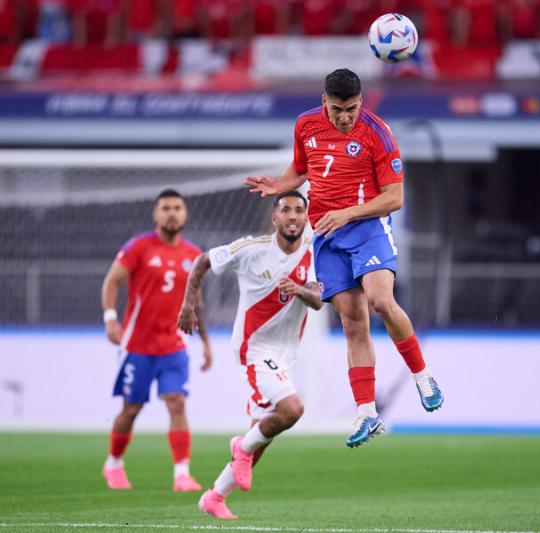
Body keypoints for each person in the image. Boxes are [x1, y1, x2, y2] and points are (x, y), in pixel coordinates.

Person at [246, 68, 443, 448]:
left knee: (381, 302)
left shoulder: (378, 133)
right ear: (324, 102)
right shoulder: (305, 125)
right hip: (326, 237)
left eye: (352, 109)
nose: (345, 117)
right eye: (338, 109)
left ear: (361, 101)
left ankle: (423, 376)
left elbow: (394, 197)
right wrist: (279, 184)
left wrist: (349, 213)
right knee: (353, 323)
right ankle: (367, 412)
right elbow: (301, 169)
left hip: (366, 227)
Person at [178, 191, 322, 519]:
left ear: (305, 217)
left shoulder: (314, 253)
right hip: (254, 348)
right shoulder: (252, 250)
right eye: (286, 210)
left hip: (286, 354)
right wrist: (188, 303)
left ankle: (214, 496)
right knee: (292, 409)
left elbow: (317, 298)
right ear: (275, 218)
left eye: (299, 210)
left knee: (261, 437)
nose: (293, 216)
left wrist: (298, 290)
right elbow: (202, 260)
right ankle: (239, 447)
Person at [101, 188, 211, 491]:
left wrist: (205, 342)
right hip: (137, 346)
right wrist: (111, 319)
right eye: (166, 208)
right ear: (156, 214)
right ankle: (113, 463)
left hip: (174, 346)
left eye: (177, 207)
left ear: (185, 213)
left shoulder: (192, 255)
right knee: (131, 409)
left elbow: (196, 304)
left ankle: (182, 473)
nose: (172, 213)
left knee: (177, 403)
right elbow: (112, 281)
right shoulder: (139, 247)